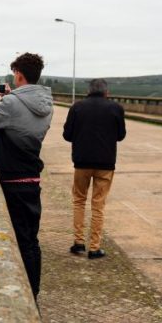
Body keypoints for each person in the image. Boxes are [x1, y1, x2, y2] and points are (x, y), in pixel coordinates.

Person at [0, 53, 53, 301]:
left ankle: (26, 297)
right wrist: (8, 99)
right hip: (31, 179)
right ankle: (34, 293)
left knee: (20, 242)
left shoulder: (12, 104)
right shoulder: (47, 103)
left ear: (18, 74)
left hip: (12, 182)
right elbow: (22, 121)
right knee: (30, 240)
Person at [62, 78, 126, 259]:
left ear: (88, 91)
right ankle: (94, 247)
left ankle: (79, 242)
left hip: (82, 162)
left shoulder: (77, 107)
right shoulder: (116, 108)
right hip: (106, 164)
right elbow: (120, 136)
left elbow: (67, 135)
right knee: (98, 205)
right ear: (107, 92)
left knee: (79, 201)